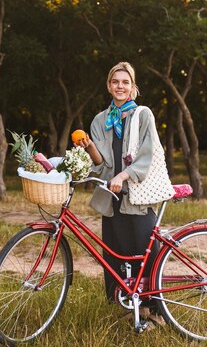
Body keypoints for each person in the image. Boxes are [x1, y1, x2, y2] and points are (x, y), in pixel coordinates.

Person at [77, 61, 168, 306]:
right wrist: (89, 148)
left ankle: (152, 309)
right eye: (115, 82)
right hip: (111, 196)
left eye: (125, 82)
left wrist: (123, 176)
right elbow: (102, 163)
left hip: (137, 194)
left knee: (144, 252)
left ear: (132, 87)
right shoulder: (99, 120)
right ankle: (125, 304)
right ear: (109, 86)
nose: (120, 86)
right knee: (116, 253)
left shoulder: (143, 115)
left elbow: (146, 156)